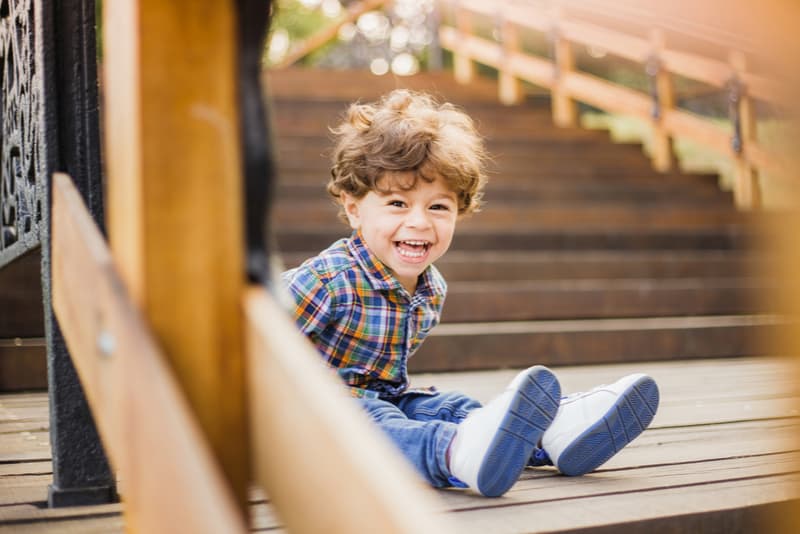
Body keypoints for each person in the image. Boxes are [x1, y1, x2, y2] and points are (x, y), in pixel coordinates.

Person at [281, 89, 660, 497]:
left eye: (438, 207)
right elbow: (246, 340)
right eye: (397, 203)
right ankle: (452, 453)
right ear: (354, 208)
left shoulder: (430, 290)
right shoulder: (327, 280)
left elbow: (384, 389)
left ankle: (547, 437)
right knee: (368, 418)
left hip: (378, 399)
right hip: (307, 418)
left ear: (459, 211)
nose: (419, 222)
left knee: (448, 406)